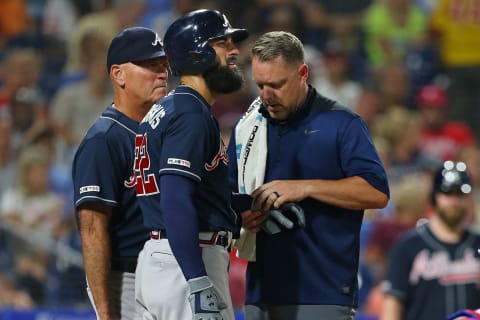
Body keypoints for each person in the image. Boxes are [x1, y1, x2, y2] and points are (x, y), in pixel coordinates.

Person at [227, 31, 390, 320]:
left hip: (322, 292)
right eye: (260, 84)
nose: (266, 95)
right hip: (261, 292)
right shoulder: (247, 127)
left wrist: (305, 187)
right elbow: (229, 197)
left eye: (276, 84)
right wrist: (242, 218)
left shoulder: (341, 123)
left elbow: (376, 192)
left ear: (303, 73)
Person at [133, 9, 248, 320]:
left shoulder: (172, 106)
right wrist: (197, 280)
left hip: (163, 259)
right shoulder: (189, 113)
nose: (234, 50)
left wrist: (247, 206)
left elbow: (191, 195)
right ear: (198, 54)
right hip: (186, 261)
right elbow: (175, 199)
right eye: (223, 43)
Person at [72, 27, 168, 320]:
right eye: (149, 66)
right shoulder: (104, 140)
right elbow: (92, 231)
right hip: (128, 279)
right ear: (119, 75)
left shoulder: (163, 130)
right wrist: (105, 312)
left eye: (163, 65)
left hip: (169, 276)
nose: (162, 74)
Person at [381, 160, 480, 320]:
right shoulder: (408, 246)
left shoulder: (477, 243)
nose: (454, 201)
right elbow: (392, 305)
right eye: (448, 193)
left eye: (460, 194)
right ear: (434, 196)